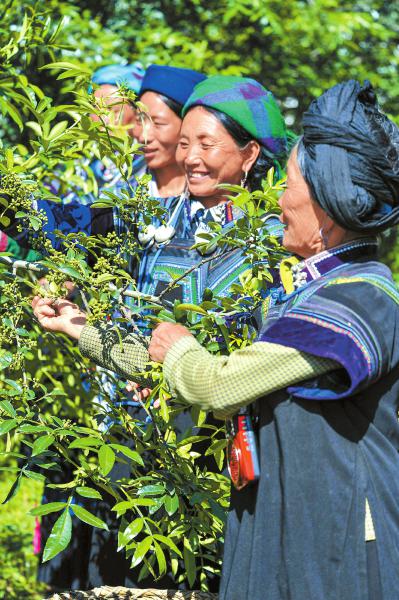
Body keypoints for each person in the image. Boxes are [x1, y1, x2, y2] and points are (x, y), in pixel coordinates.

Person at [34, 79, 399, 600]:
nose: (278, 197)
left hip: (331, 532)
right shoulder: (311, 290)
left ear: (326, 207)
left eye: (289, 184)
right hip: (282, 516)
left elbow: (216, 382)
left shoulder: (355, 300)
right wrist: (81, 329)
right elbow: (191, 368)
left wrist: (178, 343)